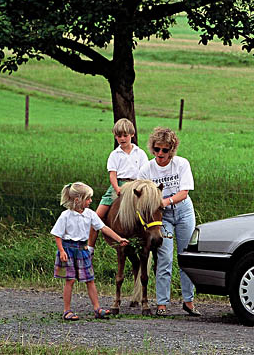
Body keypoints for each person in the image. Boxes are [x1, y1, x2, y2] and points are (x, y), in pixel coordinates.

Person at [138, 127, 199, 317]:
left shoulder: (181, 164)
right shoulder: (147, 169)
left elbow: (184, 192)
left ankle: (188, 301)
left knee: (186, 256)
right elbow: (142, 196)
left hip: (182, 211)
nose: (160, 153)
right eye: (157, 149)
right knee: (165, 258)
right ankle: (162, 303)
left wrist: (165, 201)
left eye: (165, 150)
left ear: (171, 150)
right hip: (161, 217)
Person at [52, 182, 129, 320]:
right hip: (69, 250)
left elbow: (103, 228)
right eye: (88, 198)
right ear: (78, 200)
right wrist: (61, 251)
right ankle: (67, 310)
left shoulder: (90, 214)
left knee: (90, 280)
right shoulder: (66, 215)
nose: (91, 201)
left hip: (83, 250)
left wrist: (119, 238)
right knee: (70, 280)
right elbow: (57, 234)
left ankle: (97, 308)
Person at [95, 118, 148, 224]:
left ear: (132, 134)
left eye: (125, 135)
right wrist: (117, 188)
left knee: (150, 209)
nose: (122, 139)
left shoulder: (140, 153)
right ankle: (93, 234)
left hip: (136, 185)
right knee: (97, 215)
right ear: (115, 137)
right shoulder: (115, 154)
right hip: (119, 184)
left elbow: (145, 173)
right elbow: (112, 175)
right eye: (119, 136)